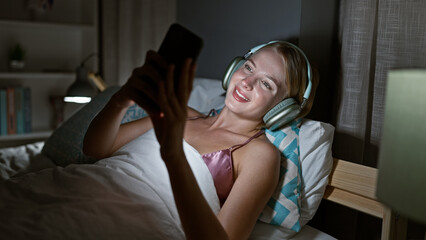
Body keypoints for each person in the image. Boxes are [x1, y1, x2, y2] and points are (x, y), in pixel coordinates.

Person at [83, 41, 317, 240]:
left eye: (266, 84)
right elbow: (95, 148)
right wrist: (119, 101)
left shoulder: (260, 154)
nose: (247, 82)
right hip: (86, 191)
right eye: (248, 68)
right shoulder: (180, 113)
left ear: (282, 110)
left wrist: (174, 157)